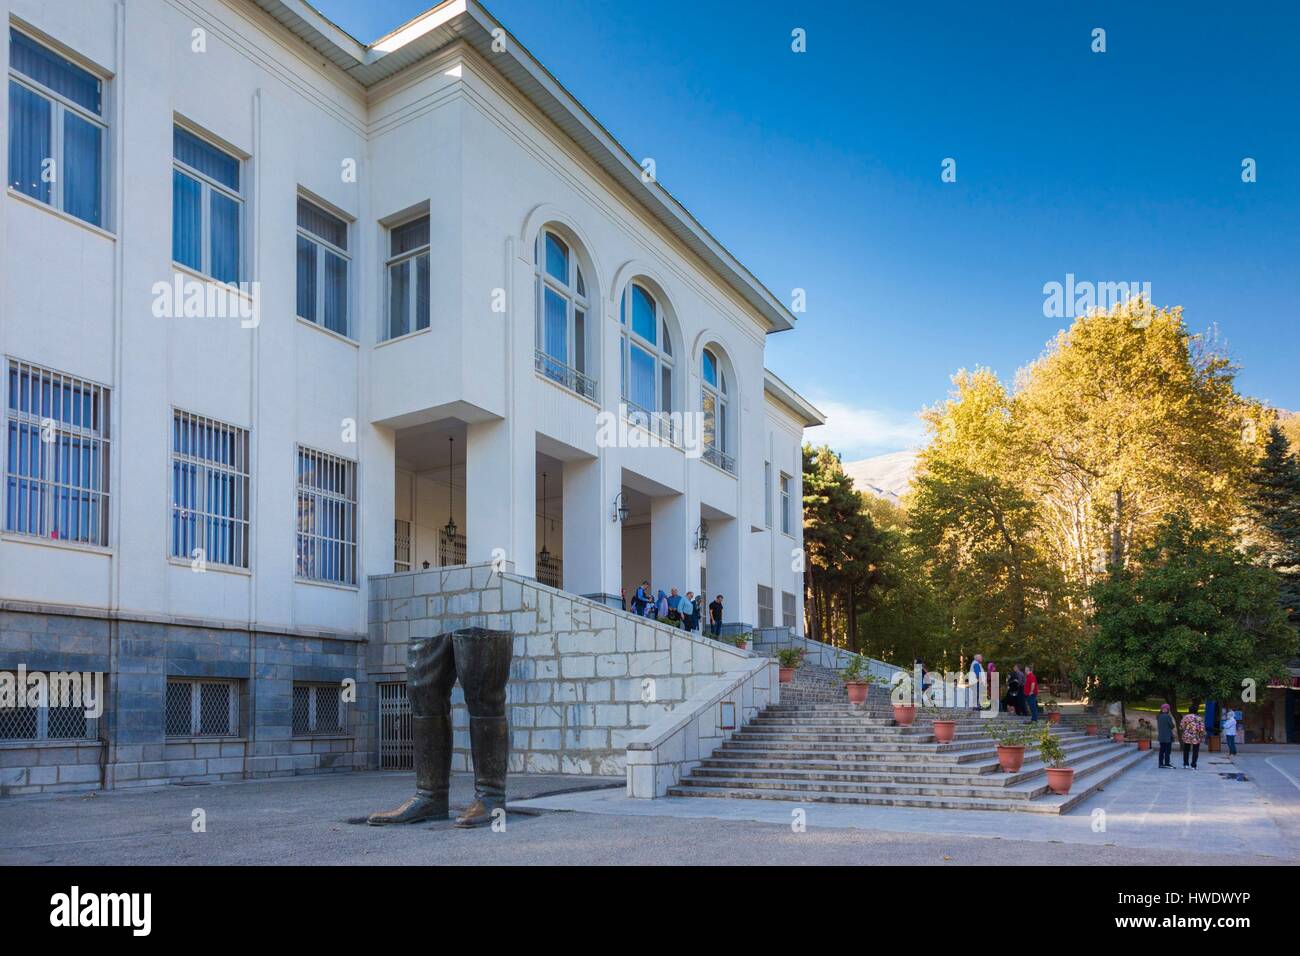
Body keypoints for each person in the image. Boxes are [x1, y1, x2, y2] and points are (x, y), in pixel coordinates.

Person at [1180, 705, 1206, 769]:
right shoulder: (1199, 718)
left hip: (1187, 736)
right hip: (1196, 736)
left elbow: (1181, 727)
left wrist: (1185, 731)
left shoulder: (1185, 717)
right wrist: (1201, 735)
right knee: (1195, 751)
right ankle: (1193, 765)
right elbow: (1202, 728)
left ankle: (1186, 764)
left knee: (1186, 750)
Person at [1157, 703, 1176, 768]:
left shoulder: (1158, 716)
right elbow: (1172, 726)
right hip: (1167, 737)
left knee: (1161, 751)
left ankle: (1160, 763)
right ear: (1168, 710)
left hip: (1161, 737)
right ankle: (1167, 763)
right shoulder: (1168, 716)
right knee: (1167, 751)